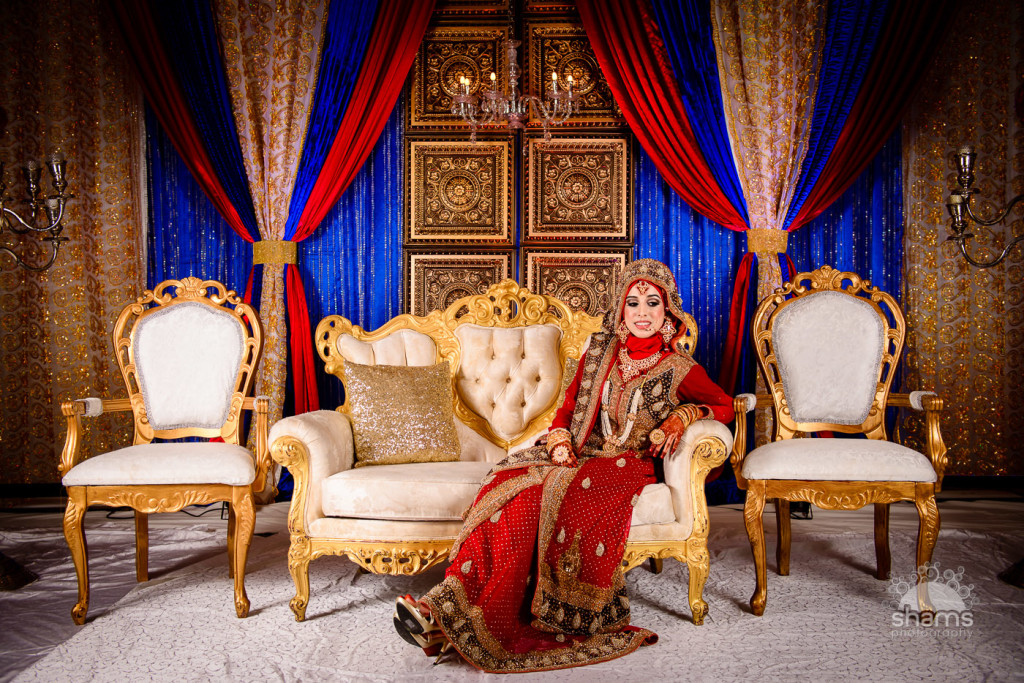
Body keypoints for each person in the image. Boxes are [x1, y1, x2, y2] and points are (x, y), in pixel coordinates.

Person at [393, 259, 734, 673]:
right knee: (510, 488)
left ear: (668, 312)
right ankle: (442, 611)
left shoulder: (679, 368)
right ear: (621, 309)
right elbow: (569, 407)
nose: (642, 313)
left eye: (652, 303)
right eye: (633, 303)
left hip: (628, 464)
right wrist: (558, 440)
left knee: (550, 493)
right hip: (581, 452)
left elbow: (724, 405)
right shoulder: (600, 353)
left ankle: (451, 621)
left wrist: (684, 416)